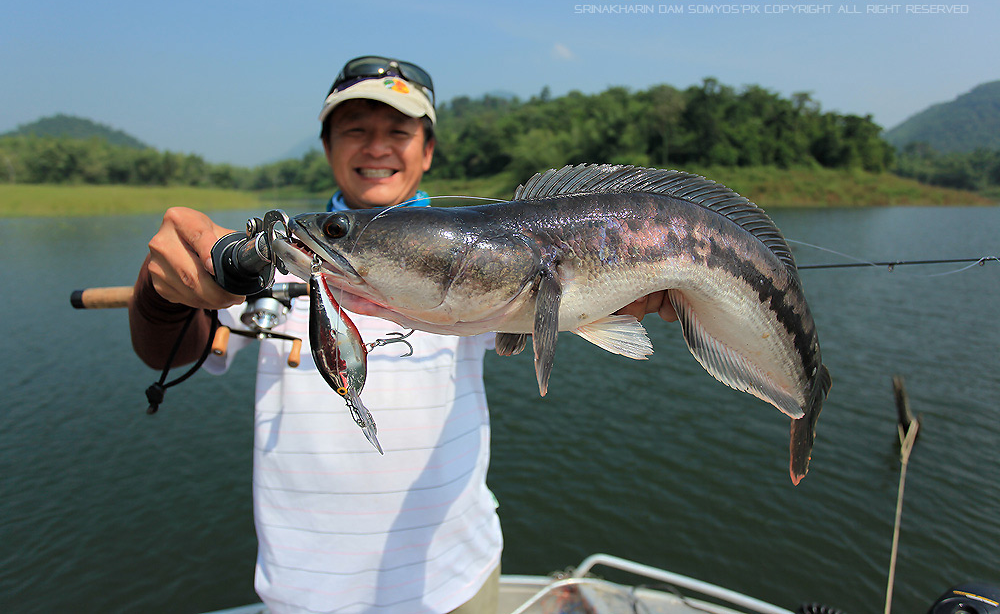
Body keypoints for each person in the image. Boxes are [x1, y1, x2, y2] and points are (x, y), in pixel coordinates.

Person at [128, 55, 676, 614]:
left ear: (427, 150)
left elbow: (546, 314)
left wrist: (618, 285)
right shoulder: (277, 260)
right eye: (356, 130)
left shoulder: (481, 250)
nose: (377, 147)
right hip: (306, 594)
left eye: (399, 131)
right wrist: (160, 292)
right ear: (327, 145)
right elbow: (171, 352)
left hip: (456, 582)